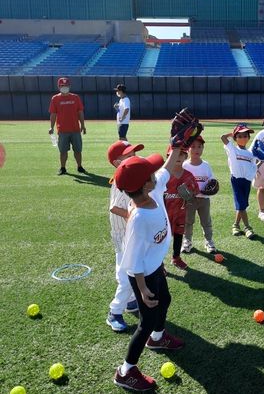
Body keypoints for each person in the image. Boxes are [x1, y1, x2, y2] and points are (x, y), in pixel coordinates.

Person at [113, 150, 185, 391]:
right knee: (146, 321)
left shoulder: (151, 190)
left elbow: (164, 168)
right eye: (149, 173)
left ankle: (158, 338)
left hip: (154, 266)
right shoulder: (140, 218)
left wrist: (176, 145)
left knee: (165, 299)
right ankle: (126, 371)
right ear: (144, 186)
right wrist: (142, 289)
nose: (155, 172)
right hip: (142, 275)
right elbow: (132, 261)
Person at [106, 140, 145, 332]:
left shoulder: (129, 174)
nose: (134, 157)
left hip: (126, 232)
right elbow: (114, 207)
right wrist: (134, 216)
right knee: (126, 274)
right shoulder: (121, 179)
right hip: (123, 233)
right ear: (116, 162)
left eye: (134, 154)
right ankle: (114, 311)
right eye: (129, 156)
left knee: (127, 268)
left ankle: (130, 302)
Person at [164, 146, 199, 270]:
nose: (178, 157)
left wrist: (189, 194)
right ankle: (159, 264)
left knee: (178, 235)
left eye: (181, 154)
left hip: (181, 212)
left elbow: (195, 192)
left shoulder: (188, 175)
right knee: (162, 239)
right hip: (164, 213)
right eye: (175, 154)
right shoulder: (164, 175)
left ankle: (176, 257)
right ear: (169, 157)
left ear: (186, 156)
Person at [181, 136, 218, 254]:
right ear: (188, 149)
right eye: (193, 146)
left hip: (204, 200)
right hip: (189, 200)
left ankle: (209, 241)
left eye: (199, 146)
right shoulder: (185, 165)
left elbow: (211, 181)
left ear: (203, 148)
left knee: (206, 221)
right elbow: (180, 183)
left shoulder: (206, 165)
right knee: (188, 221)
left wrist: (212, 187)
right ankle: (187, 241)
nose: (196, 149)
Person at [221, 123, 257, 239]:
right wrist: (233, 133)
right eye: (239, 136)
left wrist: (262, 160)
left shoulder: (250, 153)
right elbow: (223, 137)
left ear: (248, 138)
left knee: (242, 205)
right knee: (241, 204)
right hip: (236, 180)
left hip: (246, 181)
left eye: (245, 136)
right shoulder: (233, 149)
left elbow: (253, 167)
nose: (243, 138)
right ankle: (247, 227)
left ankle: (235, 225)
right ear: (235, 138)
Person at [48, 77, 86, 175]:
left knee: (78, 150)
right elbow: (53, 114)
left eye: (66, 86)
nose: (64, 87)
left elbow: (80, 112)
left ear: (69, 86)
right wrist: (51, 127)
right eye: (62, 86)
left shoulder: (75, 97)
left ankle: (79, 166)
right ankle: (63, 168)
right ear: (59, 87)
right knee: (63, 151)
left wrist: (83, 125)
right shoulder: (55, 98)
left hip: (75, 129)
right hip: (62, 130)